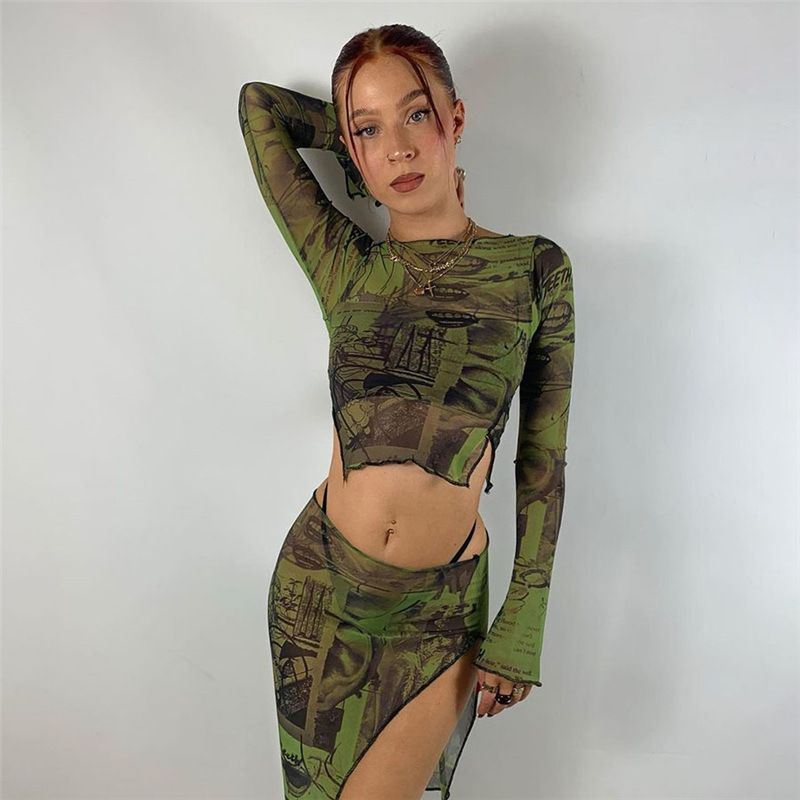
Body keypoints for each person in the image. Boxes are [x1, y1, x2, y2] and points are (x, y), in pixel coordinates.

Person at [237, 22, 575, 800]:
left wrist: (524, 620)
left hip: (437, 614)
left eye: (416, 115)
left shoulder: (534, 269)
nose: (398, 148)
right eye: (369, 130)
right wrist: (353, 143)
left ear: (456, 117)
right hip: (319, 589)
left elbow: (542, 456)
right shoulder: (346, 265)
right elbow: (259, 109)